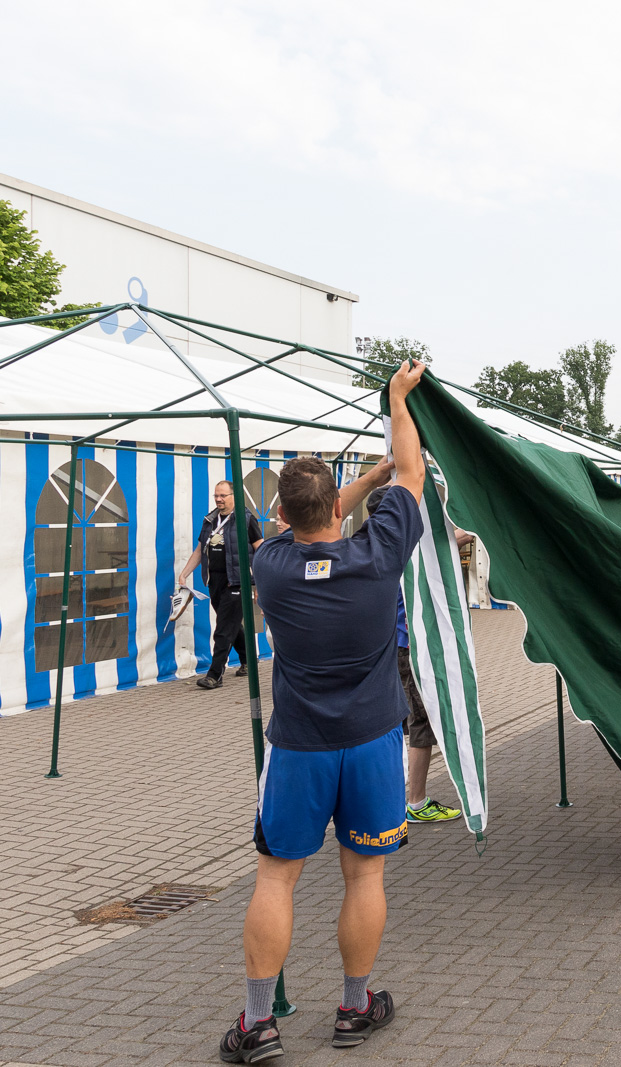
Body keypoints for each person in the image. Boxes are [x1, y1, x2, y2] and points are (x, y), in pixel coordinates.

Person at [218, 360, 426, 1063]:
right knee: (364, 874)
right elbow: (411, 472)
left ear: (281, 514)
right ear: (338, 508)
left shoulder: (270, 564)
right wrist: (397, 399)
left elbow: (311, 518)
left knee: (277, 874)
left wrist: (343, 492)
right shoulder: (380, 556)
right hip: (370, 741)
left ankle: (257, 1024)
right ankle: (353, 1006)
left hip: (300, 744)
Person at [365, 484, 472, 824]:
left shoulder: (370, 546)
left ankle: (390, 796)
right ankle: (415, 800)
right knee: (421, 722)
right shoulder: (400, 547)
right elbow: (439, 548)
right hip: (409, 646)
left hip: (388, 645)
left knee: (394, 722)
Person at [176, 480, 263, 689]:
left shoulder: (246, 519)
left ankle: (215, 675)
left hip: (237, 582)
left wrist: (260, 583)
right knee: (231, 625)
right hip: (214, 581)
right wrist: (184, 574)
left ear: (234, 496)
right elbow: (200, 549)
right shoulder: (210, 520)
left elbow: (261, 551)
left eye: (223, 495)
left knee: (223, 629)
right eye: (216, 495)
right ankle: (248, 660)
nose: (218, 499)